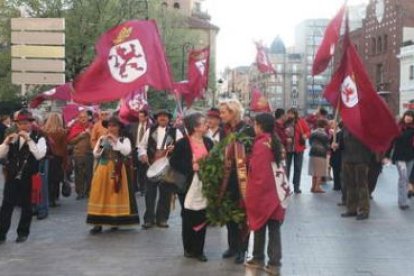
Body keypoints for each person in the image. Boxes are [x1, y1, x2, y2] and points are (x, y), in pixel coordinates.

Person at [170, 112, 214, 262]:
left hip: (205, 184)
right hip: (187, 185)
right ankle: (188, 248)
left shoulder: (209, 142)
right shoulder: (182, 143)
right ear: (195, 127)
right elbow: (174, 163)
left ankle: (199, 250)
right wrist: (191, 166)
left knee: (202, 215)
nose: (207, 125)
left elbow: (214, 160)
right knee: (188, 216)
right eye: (203, 123)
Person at [245, 113, 285, 276]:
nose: (254, 128)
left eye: (255, 125)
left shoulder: (261, 144)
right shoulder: (274, 141)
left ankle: (258, 257)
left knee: (259, 226)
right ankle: (274, 261)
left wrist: (251, 195)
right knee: (274, 229)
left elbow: (258, 174)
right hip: (277, 192)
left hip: (265, 193)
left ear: (260, 126)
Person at [0, 109, 47, 243]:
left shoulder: (39, 137)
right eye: (21, 124)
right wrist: (6, 143)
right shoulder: (13, 136)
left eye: (26, 123)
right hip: (12, 175)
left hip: (29, 176)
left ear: (32, 123)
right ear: (18, 125)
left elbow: (39, 155)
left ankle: (23, 233)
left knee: (27, 205)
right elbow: (1, 154)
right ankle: (1, 232)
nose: (24, 126)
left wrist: (29, 140)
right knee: (6, 205)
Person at [87, 116, 140, 234]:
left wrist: (115, 141)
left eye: (114, 126)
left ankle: (114, 220)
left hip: (118, 169)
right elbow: (96, 154)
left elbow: (126, 151)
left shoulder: (123, 139)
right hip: (103, 169)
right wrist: (102, 144)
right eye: (109, 126)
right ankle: (97, 223)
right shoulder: (102, 138)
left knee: (115, 194)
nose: (111, 128)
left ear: (119, 127)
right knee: (100, 193)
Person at [219, 99, 255, 264]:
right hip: (227, 177)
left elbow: (252, 154)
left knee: (241, 215)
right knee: (229, 213)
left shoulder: (247, 130)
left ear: (232, 112)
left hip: (242, 177)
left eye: (223, 112)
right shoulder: (224, 130)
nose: (221, 116)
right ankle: (232, 246)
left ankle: (243, 248)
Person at [138, 109, 183, 229]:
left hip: (167, 166)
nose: (162, 118)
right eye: (160, 116)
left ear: (168, 119)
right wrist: (142, 154)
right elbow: (142, 146)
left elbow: (182, 147)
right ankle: (149, 219)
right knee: (149, 194)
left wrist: (175, 149)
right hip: (152, 165)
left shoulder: (175, 132)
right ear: (157, 118)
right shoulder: (150, 130)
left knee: (166, 194)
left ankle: (162, 219)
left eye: (165, 116)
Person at [340, 127, 374, 220]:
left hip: (361, 160)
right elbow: (341, 145)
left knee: (362, 185)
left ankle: (364, 210)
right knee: (350, 185)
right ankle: (351, 209)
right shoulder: (345, 129)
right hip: (348, 160)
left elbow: (371, 145)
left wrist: (367, 159)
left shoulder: (366, 129)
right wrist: (335, 145)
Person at [390, 110, 414, 210]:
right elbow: (391, 141)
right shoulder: (398, 127)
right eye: (407, 115)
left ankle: (403, 200)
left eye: (410, 116)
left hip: (410, 157)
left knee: (406, 178)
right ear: (404, 116)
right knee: (403, 178)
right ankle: (402, 202)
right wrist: (386, 155)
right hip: (400, 157)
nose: (408, 117)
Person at [43, 113, 67, 207]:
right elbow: (64, 148)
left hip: (46, 156)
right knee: (56, 179)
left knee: (47, 178)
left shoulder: (44, 131)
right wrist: (65, 162)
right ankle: (54, 198)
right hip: (58, 157)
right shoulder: (62, 132)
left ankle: (47, 197)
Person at [67, 111, 93, 200]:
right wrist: (80, 136)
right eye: (81, 117)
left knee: (89, 174)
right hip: (78, 154)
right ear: (78, 118)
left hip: (89, 154)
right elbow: (70, 141)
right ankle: (80, 192)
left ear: (88, 118)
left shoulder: (92, 127)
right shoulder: (75, 127)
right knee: (79, 174)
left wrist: (90, 134)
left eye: (85, 117)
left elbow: (98, 140)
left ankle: (88, 191)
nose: (83, 119)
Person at [285, 108, 310, 194]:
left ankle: (296, 187)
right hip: (288, 148)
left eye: (291, 114)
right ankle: (286, 187)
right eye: (288, 114)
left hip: (299, 148)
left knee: (298, 168)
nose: (289, 115)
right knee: (287, 168)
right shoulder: (285, 123)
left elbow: (308, 131)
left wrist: (305, 136)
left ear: (295, 114)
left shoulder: (301, 122)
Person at [129, 109, 151, 194]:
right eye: (139, 116)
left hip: (144, 150)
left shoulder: (150, 127)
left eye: (142, 117)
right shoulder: (133, 126)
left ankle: (143, 188)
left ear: (146, 117)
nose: (140, 118)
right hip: (134, 150)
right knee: (134, 170)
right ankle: (135, 188)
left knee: (142, 170)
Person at [308, 119, 330, 193]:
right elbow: (327, 146)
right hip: (321, 153)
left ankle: (312, 186)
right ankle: (317, 187)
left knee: (314, 171)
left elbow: (310, 142)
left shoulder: (313, 132)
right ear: (324, 125)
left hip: (312, 152)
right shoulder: (324, 134)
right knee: (320, 171)